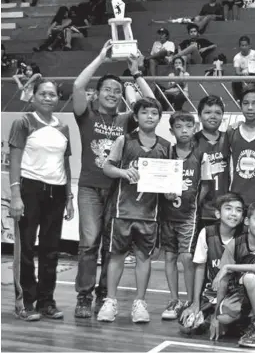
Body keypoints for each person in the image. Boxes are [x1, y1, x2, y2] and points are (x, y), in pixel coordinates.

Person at [72, 40, 155, 319]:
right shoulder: (86, 115)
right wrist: (99, 59)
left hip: (119, 191)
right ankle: (84, 295)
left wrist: (137, 73)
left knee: (111, 245)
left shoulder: (125, 120)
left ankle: (103, 295)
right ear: (97, 94)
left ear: (121, 97)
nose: (112, 93)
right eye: (107, 89)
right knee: (89, 241)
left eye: (117, 91)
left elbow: (150, 103)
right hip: (89, 189)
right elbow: (76, 86)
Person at [96, 97, 170, 323]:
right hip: (123, 210)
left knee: (143, 257)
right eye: (145, 112)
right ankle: (110, 300)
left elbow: (167, 179)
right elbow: (107, 167)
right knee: (116, 256)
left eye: (154, 113)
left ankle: (139, 302)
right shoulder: (124, 140)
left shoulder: (166, 146)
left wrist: (171, 190)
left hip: (149, 213)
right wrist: (123, 172)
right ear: (135, 116)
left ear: (159, 118)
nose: (150, 116)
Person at [9, 79, 74, 321]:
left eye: (53, 95)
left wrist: (68, 197)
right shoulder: (23, 122)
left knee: (51, 249)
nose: (48, 98)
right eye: (43, 94)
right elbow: (14, 160)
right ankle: (25, 302)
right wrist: (15, 195)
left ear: (58, 98)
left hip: (56, 192)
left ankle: (47, 300)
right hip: (29, 189)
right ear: (34, 96)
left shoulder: (64, 127)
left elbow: (65, 163)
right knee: (25, 247)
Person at [159, 111, 212, 320]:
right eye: (179, 127)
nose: (184, 130)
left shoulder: (201, 155)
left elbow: (206, 184)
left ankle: (191, 300)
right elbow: (157, 180)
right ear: (172, 130)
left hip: (188, 215)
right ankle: (174, 300)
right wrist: (165, 192)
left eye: (188, 126)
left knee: (187, 257)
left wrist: (195, 203)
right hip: (166, 214)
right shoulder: (165, 153)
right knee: (169, 256)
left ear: (195, 129)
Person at [212, 201, 255, 348]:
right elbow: (224, 281)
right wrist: (215, 316)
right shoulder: (235, 244)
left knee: (250, 277)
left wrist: (229, 266)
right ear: (247, 221)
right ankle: (248, 321)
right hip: (241, 294)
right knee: (223, 318)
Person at [179, 193, 245, 334]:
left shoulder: (245, 236)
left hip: (235, 293)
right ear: (217, 213)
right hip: (211, 292)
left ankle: (236, 319)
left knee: (223, 321)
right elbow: (200, 268)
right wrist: (195, 303)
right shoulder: (207, 233)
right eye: (228, 209)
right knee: (185, 326)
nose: (234, 214)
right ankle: (208, 316)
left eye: (239, 210)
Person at [193, 95, 231, 231]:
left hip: (226, 211)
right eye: (208, 112)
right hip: (200, 210)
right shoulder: (191, 143)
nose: (213, 116)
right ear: (199, 116)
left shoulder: (230, 139)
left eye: (218, 113)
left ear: (223, 117)